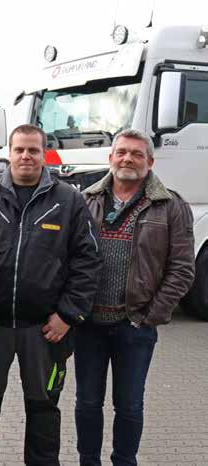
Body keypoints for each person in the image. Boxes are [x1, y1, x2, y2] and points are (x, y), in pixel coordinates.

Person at [0, 124, 102, 465]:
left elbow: (88, 261)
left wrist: (68, 314)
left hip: (45, 329)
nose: (26, 156)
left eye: (33, 150)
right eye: (19, 149)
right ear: (9, 153)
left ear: (44, 154)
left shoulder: (69, 201)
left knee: (43, 408)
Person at [76, 129, 195, 466]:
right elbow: (70, 259)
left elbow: (182, 269)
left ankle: (124, 462)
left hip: (135, 326)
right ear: (110, 158)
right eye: (122, 152)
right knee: (86, 402)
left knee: (129, 405)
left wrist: (149, 315)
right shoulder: (86, 200)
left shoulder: (171, 205)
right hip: (89, 325)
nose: (128, 159)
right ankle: (89, 461)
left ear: (150, 161)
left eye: (137, 154)